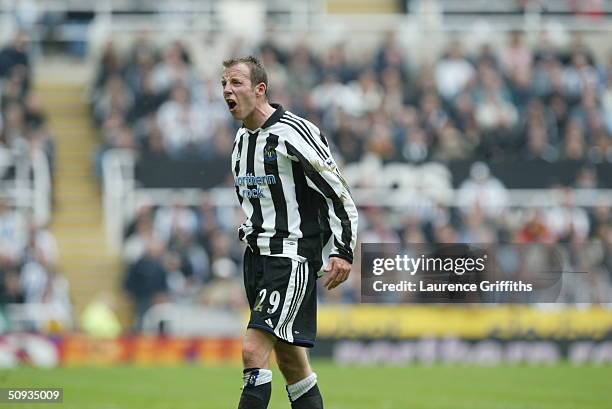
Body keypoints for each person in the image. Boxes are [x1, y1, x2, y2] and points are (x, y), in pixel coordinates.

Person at [222, 56, 358, 409]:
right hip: (257, 259)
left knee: (253, 351)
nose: (227, 90)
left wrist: (343, 250)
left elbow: (338, 192)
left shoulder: (294, 133)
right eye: (224, 83)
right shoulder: (241, 141)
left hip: (291, 257)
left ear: (259, 89)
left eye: (236, 82)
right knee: (292, 363)